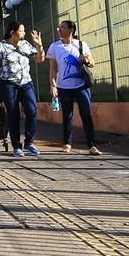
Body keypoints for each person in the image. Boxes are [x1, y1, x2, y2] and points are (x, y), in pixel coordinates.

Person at [0, 20, 44, 157]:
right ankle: (16, 145)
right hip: (8, 83)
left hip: (26, 83)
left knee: (32, 111)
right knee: (13, 113)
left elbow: (40, 59)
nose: (24, 33)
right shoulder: (0, 47)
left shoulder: (25, 45)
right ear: (12, 32)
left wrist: (39, 45)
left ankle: (29, 143)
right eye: (21, 30)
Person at [48, 20, 100, 155]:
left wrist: (86, 60)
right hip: (63, 86)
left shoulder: (81, 45)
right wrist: (53, 85)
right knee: (67, 115)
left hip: (81, 86)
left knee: (86, 115)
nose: (59, 30)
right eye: (59, 28)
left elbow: (92, 62)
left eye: (63, 28)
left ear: (71, 30)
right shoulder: (55, 46)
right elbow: (53, 68)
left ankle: (92, 145)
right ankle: (67, 143)